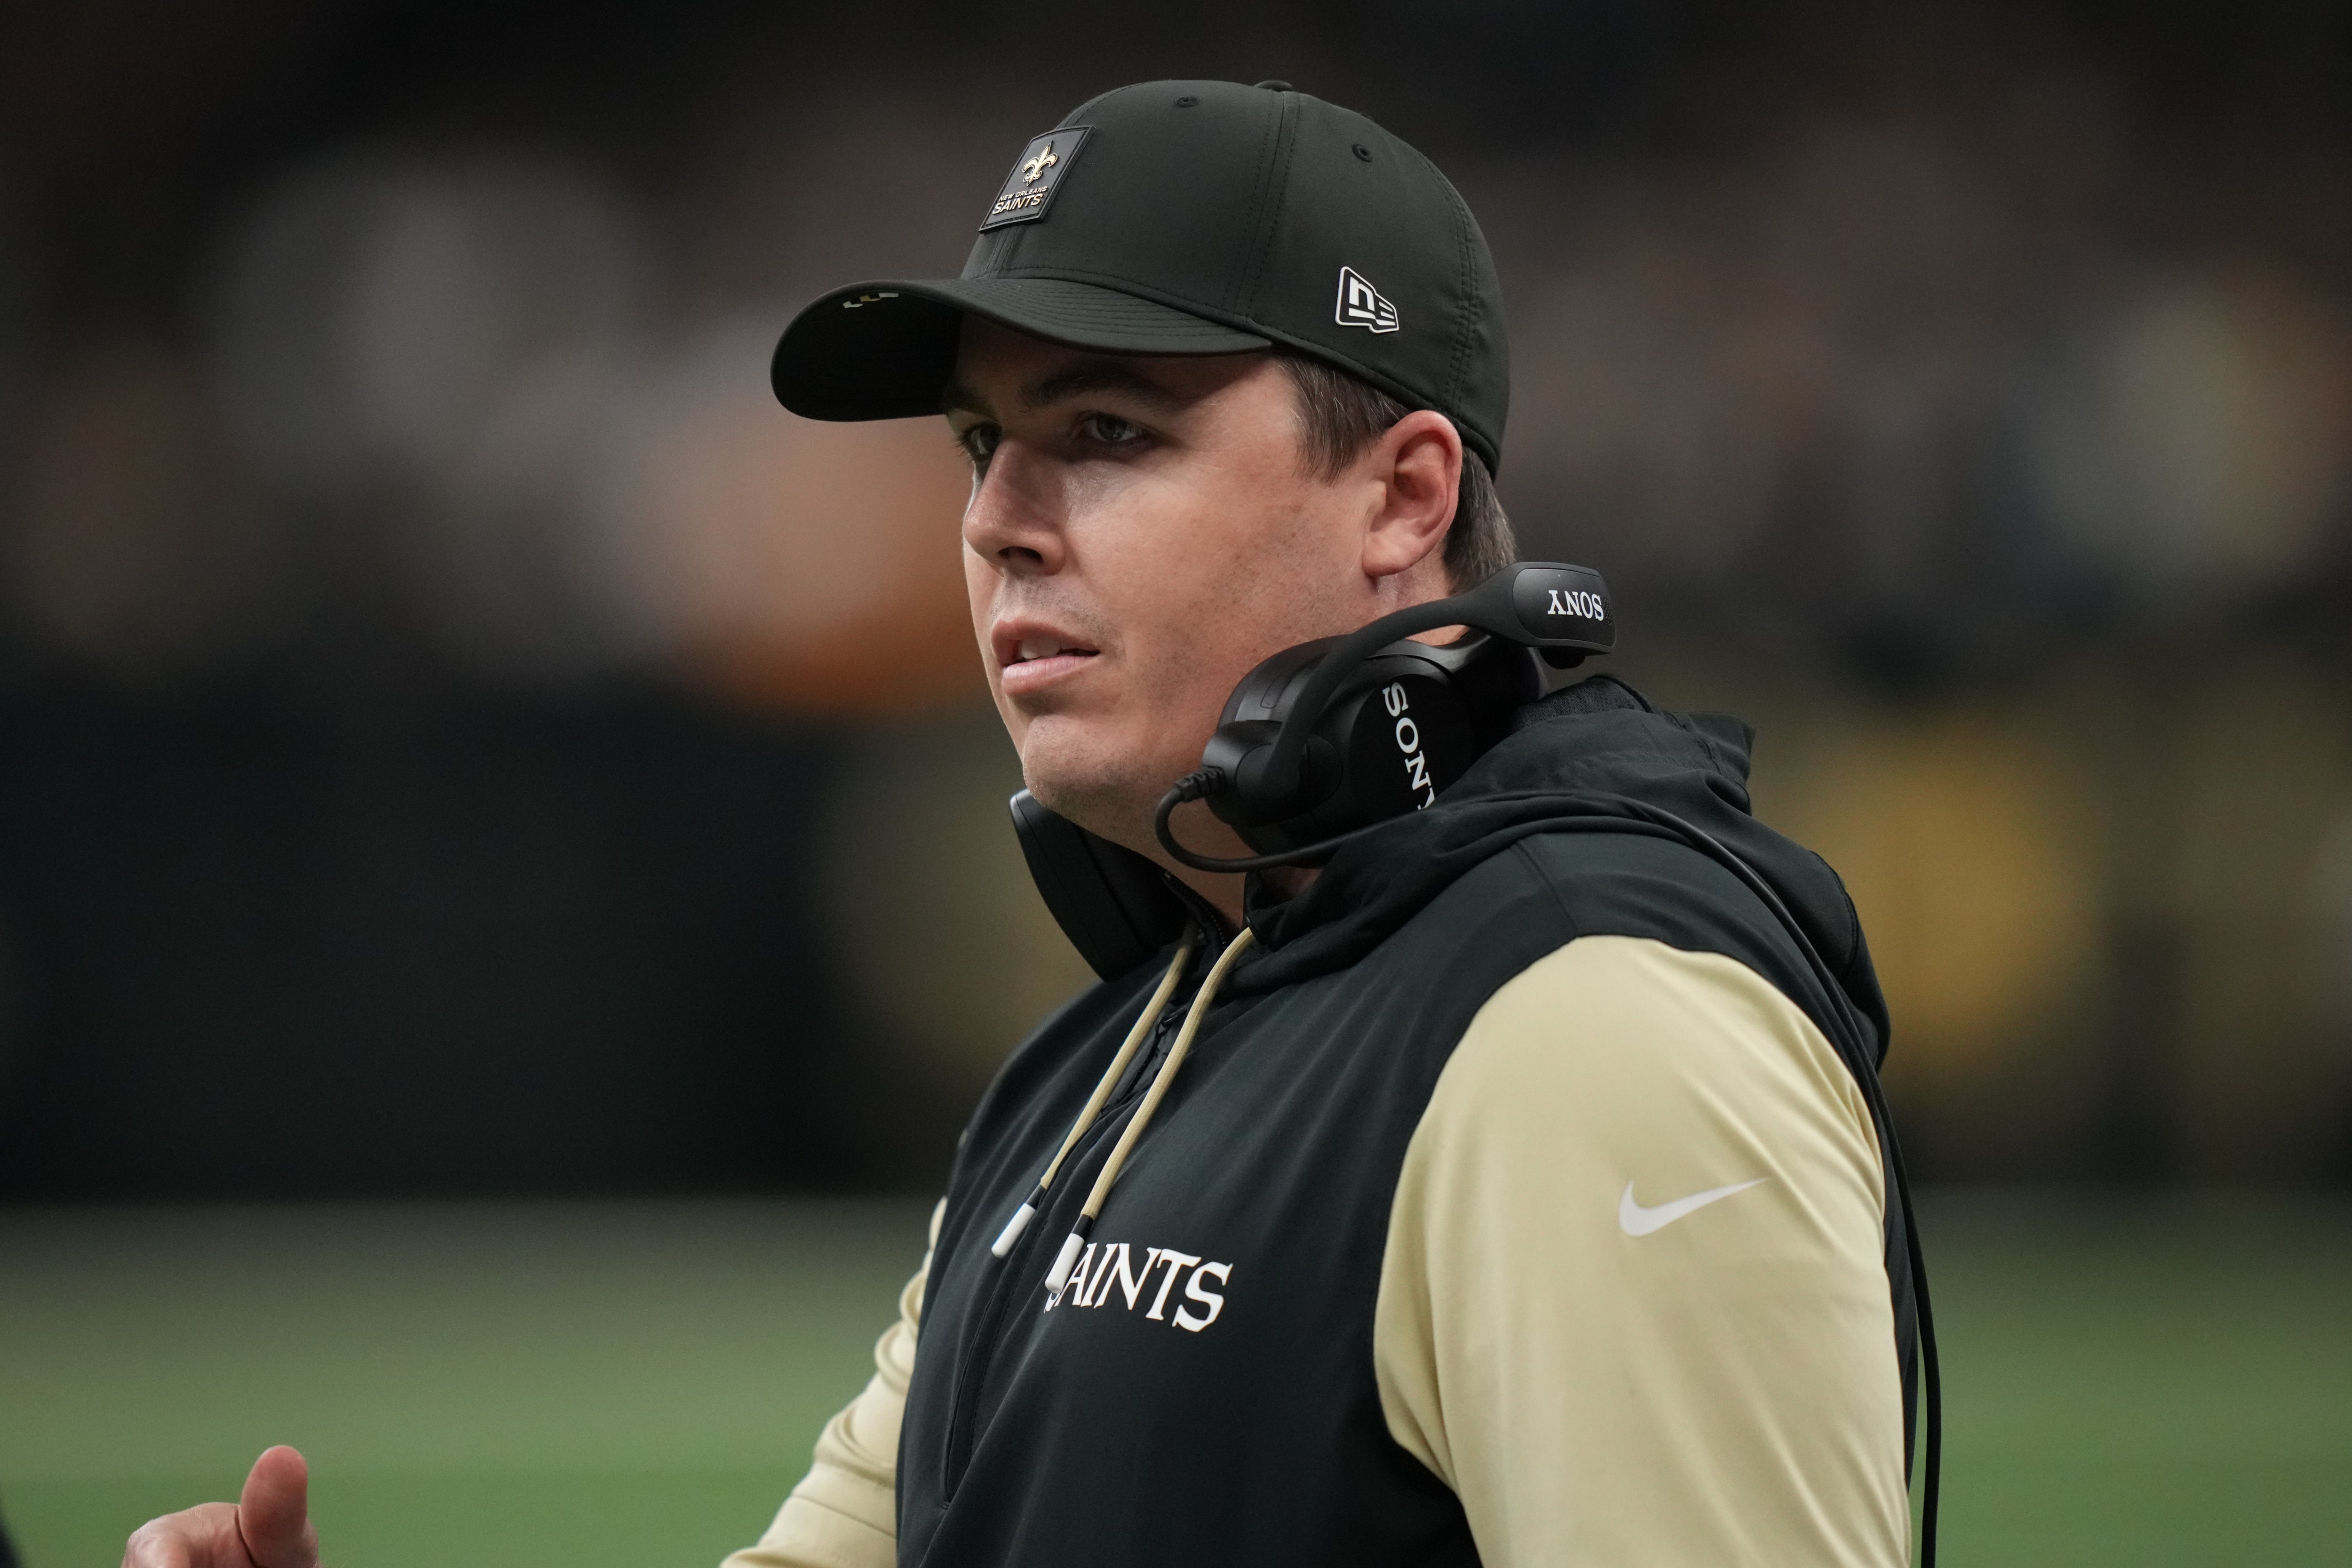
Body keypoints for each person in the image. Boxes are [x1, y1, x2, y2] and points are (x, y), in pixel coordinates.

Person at [125, 79, 1919, 1568]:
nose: (998, 524)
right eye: (984, 445)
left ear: (1405, 496)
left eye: (1114, 431)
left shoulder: (1591, 1030)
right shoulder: (1141, 1038)